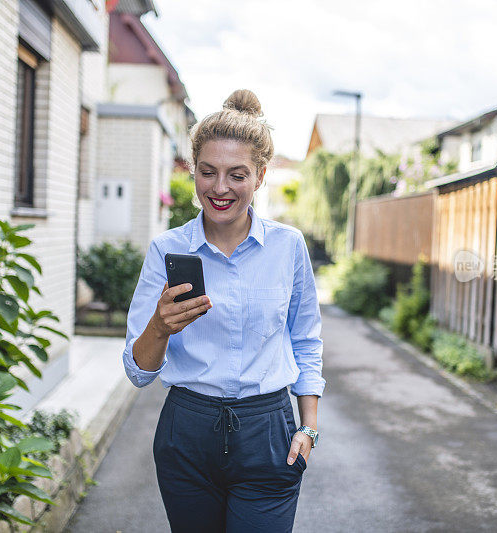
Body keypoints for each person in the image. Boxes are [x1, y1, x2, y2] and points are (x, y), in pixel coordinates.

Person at [122, 89, 325, 532]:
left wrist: (308, 427)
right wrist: (160, 325)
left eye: (237, 174)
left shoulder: (288, 247)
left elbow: (305, 339)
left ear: (261, 176)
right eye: (208, 172)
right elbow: (139, 372)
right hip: (186, 432)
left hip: (267, 430)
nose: (220, 188)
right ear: (193, 170)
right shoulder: (166, 250)